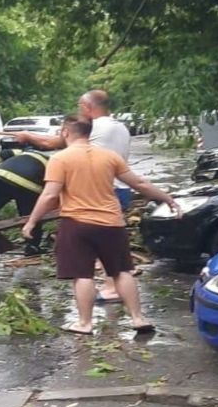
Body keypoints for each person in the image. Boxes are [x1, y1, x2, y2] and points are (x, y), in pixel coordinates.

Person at [22, 117, 178, 336]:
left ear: (66, 132)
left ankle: (85, 323)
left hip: (77, 224)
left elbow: (49, 195)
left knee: (82, 274)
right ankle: (138, 318)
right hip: (112, 223)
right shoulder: (109, 156)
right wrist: (168, 199)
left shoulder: (60, 159)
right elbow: (140, 184)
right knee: (121, 271)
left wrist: (32, 221)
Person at [15, 90, 132, 302]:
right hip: (120, 188)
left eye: (80, 106)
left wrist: (28, 136)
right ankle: (117, 291)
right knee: (111, 245)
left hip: (99, 188)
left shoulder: (96, 127)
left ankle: (109, 290)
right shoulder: (119, 126)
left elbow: (57, 143)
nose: (80, 111)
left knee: (92, 250)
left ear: (88, 107)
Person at [0, 147, 54, 255]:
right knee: (30, 217)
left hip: (0, 178)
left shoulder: (24, 152)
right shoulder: (54, 163)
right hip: (29, 185)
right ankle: (32, 246)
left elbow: (2, 155)